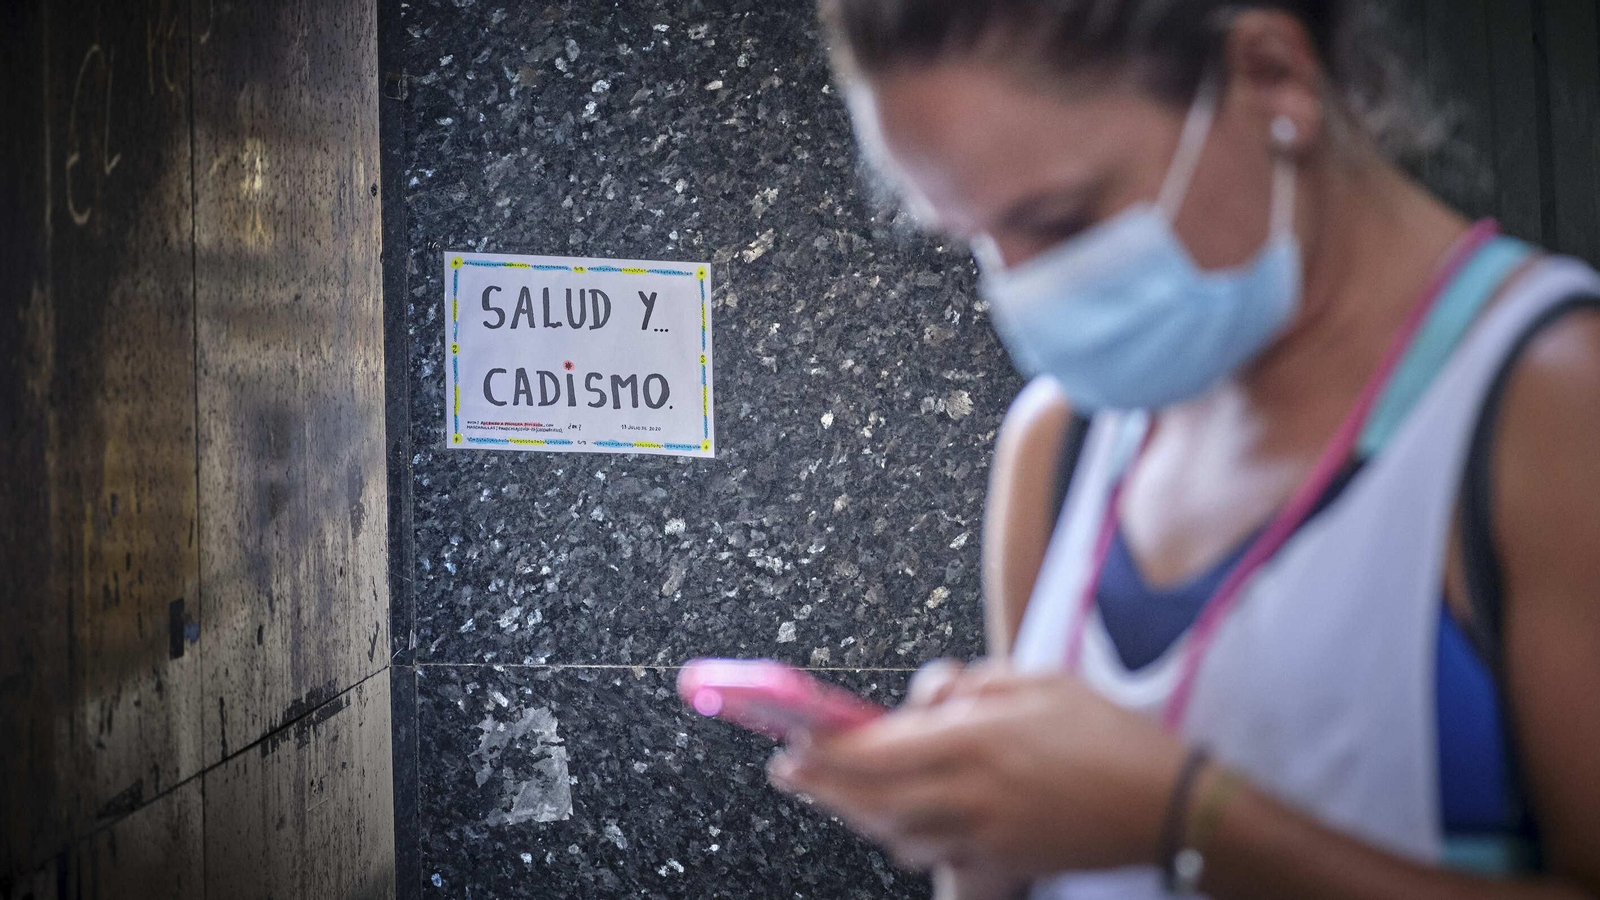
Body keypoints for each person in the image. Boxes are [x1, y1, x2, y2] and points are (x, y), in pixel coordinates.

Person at [765, 1, 1600, 898]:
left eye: (1064, 218)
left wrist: (1182, 818)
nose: (1025, 288)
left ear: (1272, 76)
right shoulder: (1062, 443)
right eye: (971, 237)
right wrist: (979, 824)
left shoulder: (1549, 402)